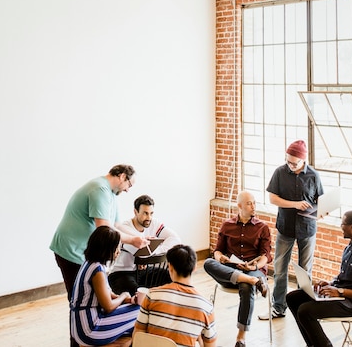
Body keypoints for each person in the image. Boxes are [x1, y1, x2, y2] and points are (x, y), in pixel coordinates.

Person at [50, 164, 147, 347]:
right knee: (77, 299)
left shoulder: (111, 195)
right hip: (70, 251)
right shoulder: (99, 190)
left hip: (84, 253)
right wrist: (132, 241)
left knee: (93, 297)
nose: (128, 191)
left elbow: (116, 226)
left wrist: (138, 237)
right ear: (122, 177)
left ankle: (98, 334)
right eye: (129, 185)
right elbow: (104, 229)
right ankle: (80, 341)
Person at [286, 210, 352, 347]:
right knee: (293, 298)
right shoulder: (350, 248)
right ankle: (312, 344)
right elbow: (346, 277)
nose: (340, 226)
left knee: (305, 310)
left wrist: (340, 292)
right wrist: (329, 284)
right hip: (339, 295)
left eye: (343, 224)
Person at [259, 140, 323, 320]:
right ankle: (278, 307)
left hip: (308, 229)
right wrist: (295, 205)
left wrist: (321, 212)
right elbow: (273, 198)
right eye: (288, 161)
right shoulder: (280, 172)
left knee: (305, 271)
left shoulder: (314, 176)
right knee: (280, 269)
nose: (290, 165)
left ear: (303, 160)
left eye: (294, 163)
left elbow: (320, 201)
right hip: (285, 228)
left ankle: (304, 308)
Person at [203, 191, 272, 347]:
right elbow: (217, 251)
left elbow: (266, 256)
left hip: (252, 269)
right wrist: (220, 257)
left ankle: (241, 337)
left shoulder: (262, 227)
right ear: (239, 206)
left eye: (254, 202)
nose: (253, 206)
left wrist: (254, 266)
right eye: (249, 203)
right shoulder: (227, 225)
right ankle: (253, 281)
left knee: (246, 287)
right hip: (230, 269)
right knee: (208, 262)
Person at [134, 244, 217, 347]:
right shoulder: (206, 307)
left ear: (170, 267)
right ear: (195, 267)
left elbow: (137, 335)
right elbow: (210, 345)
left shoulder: (152, 295)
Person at [70, 225, 139, 346]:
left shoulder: (89, 263)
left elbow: (107, 294)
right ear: (106, 249)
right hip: (89, 330)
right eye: (117, 248)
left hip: (80, 327)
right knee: (140, 312)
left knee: (133, 310)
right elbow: (108, 307)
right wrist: (123, 296)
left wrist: (128, 300)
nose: (118, 251)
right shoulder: (97, 270)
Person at [109, 194, 181, 295]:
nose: (149, 217)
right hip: (122, 273)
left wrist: (156, 249)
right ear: (135, 212)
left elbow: (175, 239)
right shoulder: (125, 227)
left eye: (151, 213)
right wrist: (153, 248)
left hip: (144, 271)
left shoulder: (153, 223)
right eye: (145, 213)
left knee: (174, 277)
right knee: (138, 295)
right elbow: (143, 254)